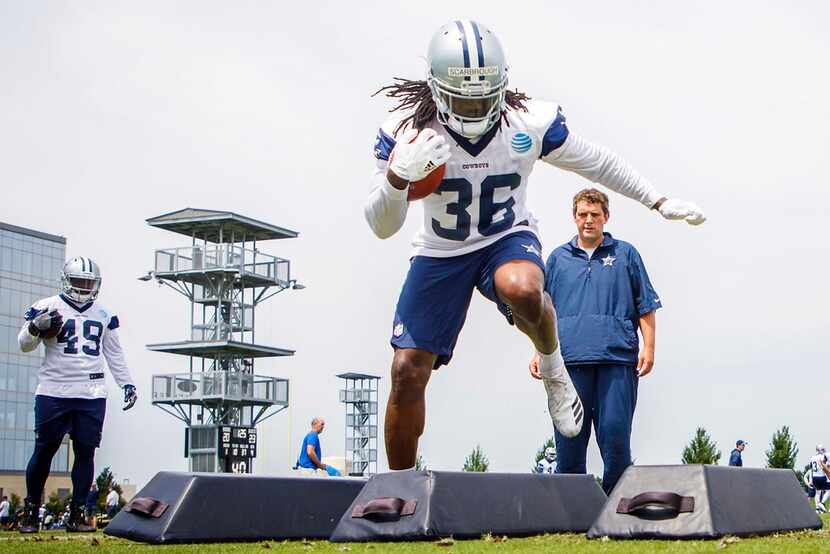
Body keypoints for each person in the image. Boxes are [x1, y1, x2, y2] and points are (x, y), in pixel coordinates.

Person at [366, 19, 706, 471]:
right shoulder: (408, 132)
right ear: (436, 89)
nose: (473, 106)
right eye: (462, 96)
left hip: (504, 238)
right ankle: (400, 488)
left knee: (524, 287)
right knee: (406, 371)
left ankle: (554, 371)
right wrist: (395, 179)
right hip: (439, 251)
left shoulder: (526, 121)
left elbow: (597, 162)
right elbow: (382, 226)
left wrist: (656, 199)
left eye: (483, 95)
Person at [529, 189, 660, 494]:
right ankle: (572, 513)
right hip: (568, 362)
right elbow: (542, 312)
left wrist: (649, 348)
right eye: (583, 214)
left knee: (615, 437)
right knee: (569, 439)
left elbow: (646, 305)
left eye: (595, 215)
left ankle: (615, 508)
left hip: (616, 359)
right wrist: (538, 351)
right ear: (574, 217)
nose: (589, 221)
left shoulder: (626, 254)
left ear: (606, 217)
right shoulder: (558, 259)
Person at [16, 257, 137, 534]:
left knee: (86, 452)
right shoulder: (46, 306)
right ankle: (32, 510)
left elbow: (114, 354)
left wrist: (127, 383)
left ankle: (78, 512)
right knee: (44, 449)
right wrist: (35, 327)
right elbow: (24, 345)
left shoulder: (104, 313)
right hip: (53, 390)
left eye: (88, 283)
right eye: (79, 282)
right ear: (66, 281)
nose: (83, 287)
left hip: (91, 392)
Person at [810, 444, 830, 513]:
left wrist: (811, 479)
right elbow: (825, 466)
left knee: (817, 493)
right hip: (822, 476)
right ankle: (821, 503)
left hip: (814, 477)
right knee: (828, 490)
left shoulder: (812, 457)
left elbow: (811, 469)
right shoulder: (823, 457)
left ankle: (818, 509)